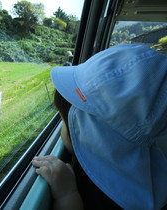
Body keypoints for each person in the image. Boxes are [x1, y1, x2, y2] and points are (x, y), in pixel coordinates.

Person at [32, 44, 167, 210]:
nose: (62, 126)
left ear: (91, 134)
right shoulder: (152, 180)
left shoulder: (112, 201)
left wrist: (67, 196)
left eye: (66, 121)